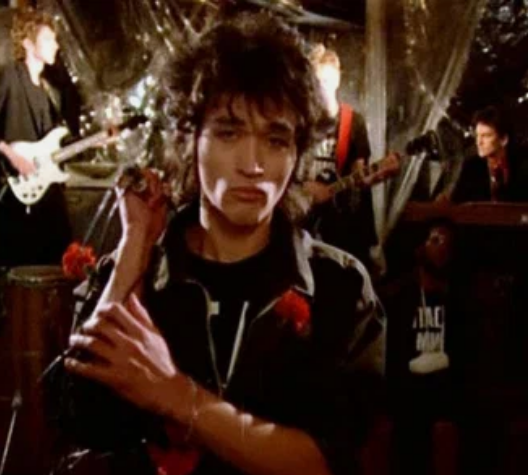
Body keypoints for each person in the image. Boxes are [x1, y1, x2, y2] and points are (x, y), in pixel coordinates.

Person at [62, 13, 385, 475]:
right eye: (229, 133)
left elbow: (325, 460)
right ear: (190, 138)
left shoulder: (338, 286)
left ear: (297, 154)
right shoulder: (142, 272)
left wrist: (176, 395)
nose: (253, 164)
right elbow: (80, 417)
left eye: (276, 139)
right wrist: (134, 248)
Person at [0, 8, 72, 268]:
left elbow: (53, 142)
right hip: (15, 189)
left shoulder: (47, 91)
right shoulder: (8, 76)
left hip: (44, 189)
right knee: (20, 266)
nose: (56, 45)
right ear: (28, 43)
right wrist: (11, 154)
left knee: (59, 258)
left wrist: (97, 140)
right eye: (48, 39)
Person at [382, 218, 463, 475]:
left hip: (444, 394)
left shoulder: (458, 299)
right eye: (435, 240)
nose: (442, 248)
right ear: (421, 247)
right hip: (405, 393)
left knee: (446, 428)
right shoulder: (399, 296)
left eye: (447, 243)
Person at [301, 44, 381, 273]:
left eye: (326, 82)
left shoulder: (353, 121)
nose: (322, 89)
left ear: (337, 81)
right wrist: (306, 188)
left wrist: (373, 176)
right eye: (317, 83)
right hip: (305, 218)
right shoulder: (303, 122)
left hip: (343, 223)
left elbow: (360, 173)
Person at [451, 106, 528, 204]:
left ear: (503, 139)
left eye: (486, 136)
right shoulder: (471, 168)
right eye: (477, 136)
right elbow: (456, 204)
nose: (479, 142)